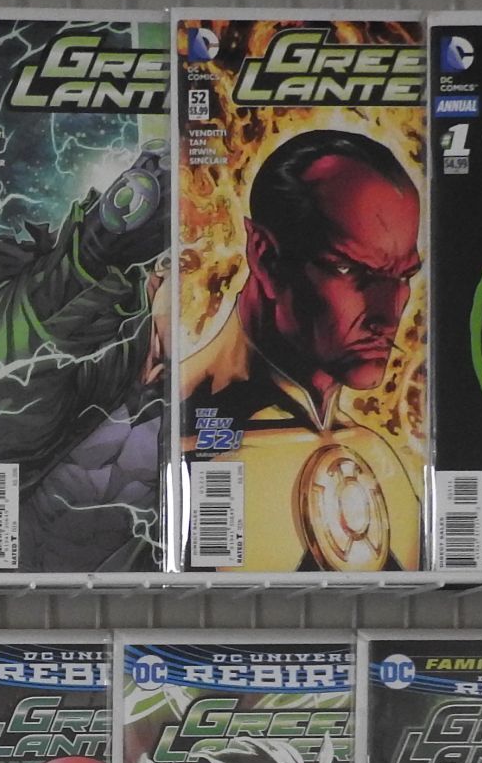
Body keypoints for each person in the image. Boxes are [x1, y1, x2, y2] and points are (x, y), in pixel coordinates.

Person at [178, 129, 423, 569]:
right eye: (349, 270)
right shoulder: (162, 432)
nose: (388, 315)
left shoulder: (378, 457)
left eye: (403, 277)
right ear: (264, 255)